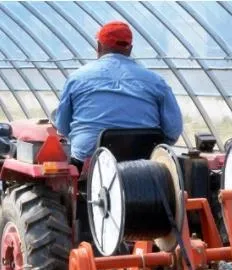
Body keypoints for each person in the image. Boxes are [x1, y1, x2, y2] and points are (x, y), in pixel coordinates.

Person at [55, 21, 183, 168]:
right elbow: (173, 131)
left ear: (99, 46)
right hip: (144, 166)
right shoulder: (156, 81)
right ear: (130, 49)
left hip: (88, 165)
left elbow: (62, 127)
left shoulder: (77, 78)